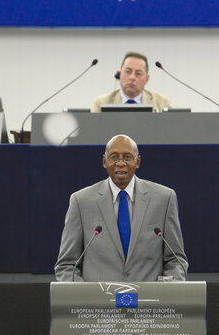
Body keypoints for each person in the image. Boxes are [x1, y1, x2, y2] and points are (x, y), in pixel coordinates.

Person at [55, 134, 188, 282]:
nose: (120, 163)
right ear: (104, 161)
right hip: (98, 303)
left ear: (138, 161)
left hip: (149, 302)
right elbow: (67, 265)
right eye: (113, 157)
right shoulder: (81, 201)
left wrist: (171, 286)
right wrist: (86, 298)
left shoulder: (164, 199)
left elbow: (176, 260)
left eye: (127, 157)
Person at [91, 52, 172, 112]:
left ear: (147, 79)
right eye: (128, 71)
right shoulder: (101, 103)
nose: (132, 77)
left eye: (138, 73)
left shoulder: (162, 103)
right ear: (119, 74)